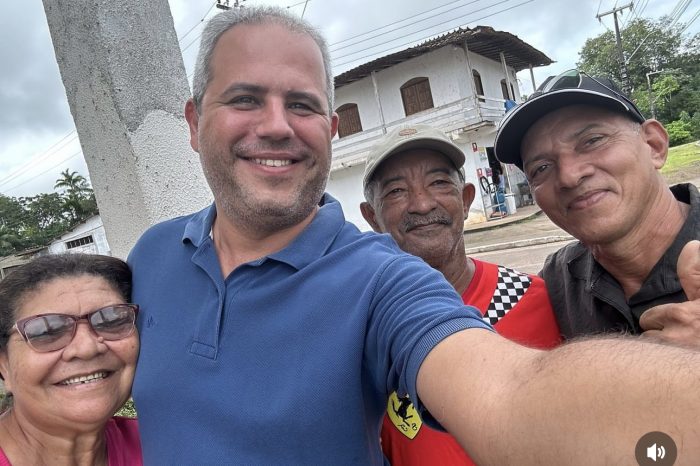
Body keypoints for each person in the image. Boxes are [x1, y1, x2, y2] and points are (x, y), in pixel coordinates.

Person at [128, 7, 700, 465]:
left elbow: (513, 395)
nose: (275, 125)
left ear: (329, 131)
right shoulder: (149, 256)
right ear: (195, 121)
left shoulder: (384, 281)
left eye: (300, 105)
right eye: (245, 98)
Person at [359, 124, 561, 465]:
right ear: (372, 217)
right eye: (396, 191)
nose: (422, 204)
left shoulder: (538, 298)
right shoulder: (364, 330)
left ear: (466, 199)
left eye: (439, 183)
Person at [494, 69, 700, 344]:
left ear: (654, 145)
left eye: (592, 141)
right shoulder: (559, 282)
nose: (569, 176)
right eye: (541, 168)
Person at [0, 254, 142, 465]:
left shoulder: (164, 444)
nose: (87, 348)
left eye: (111, 319)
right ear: (4, 366)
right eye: (47, 330)